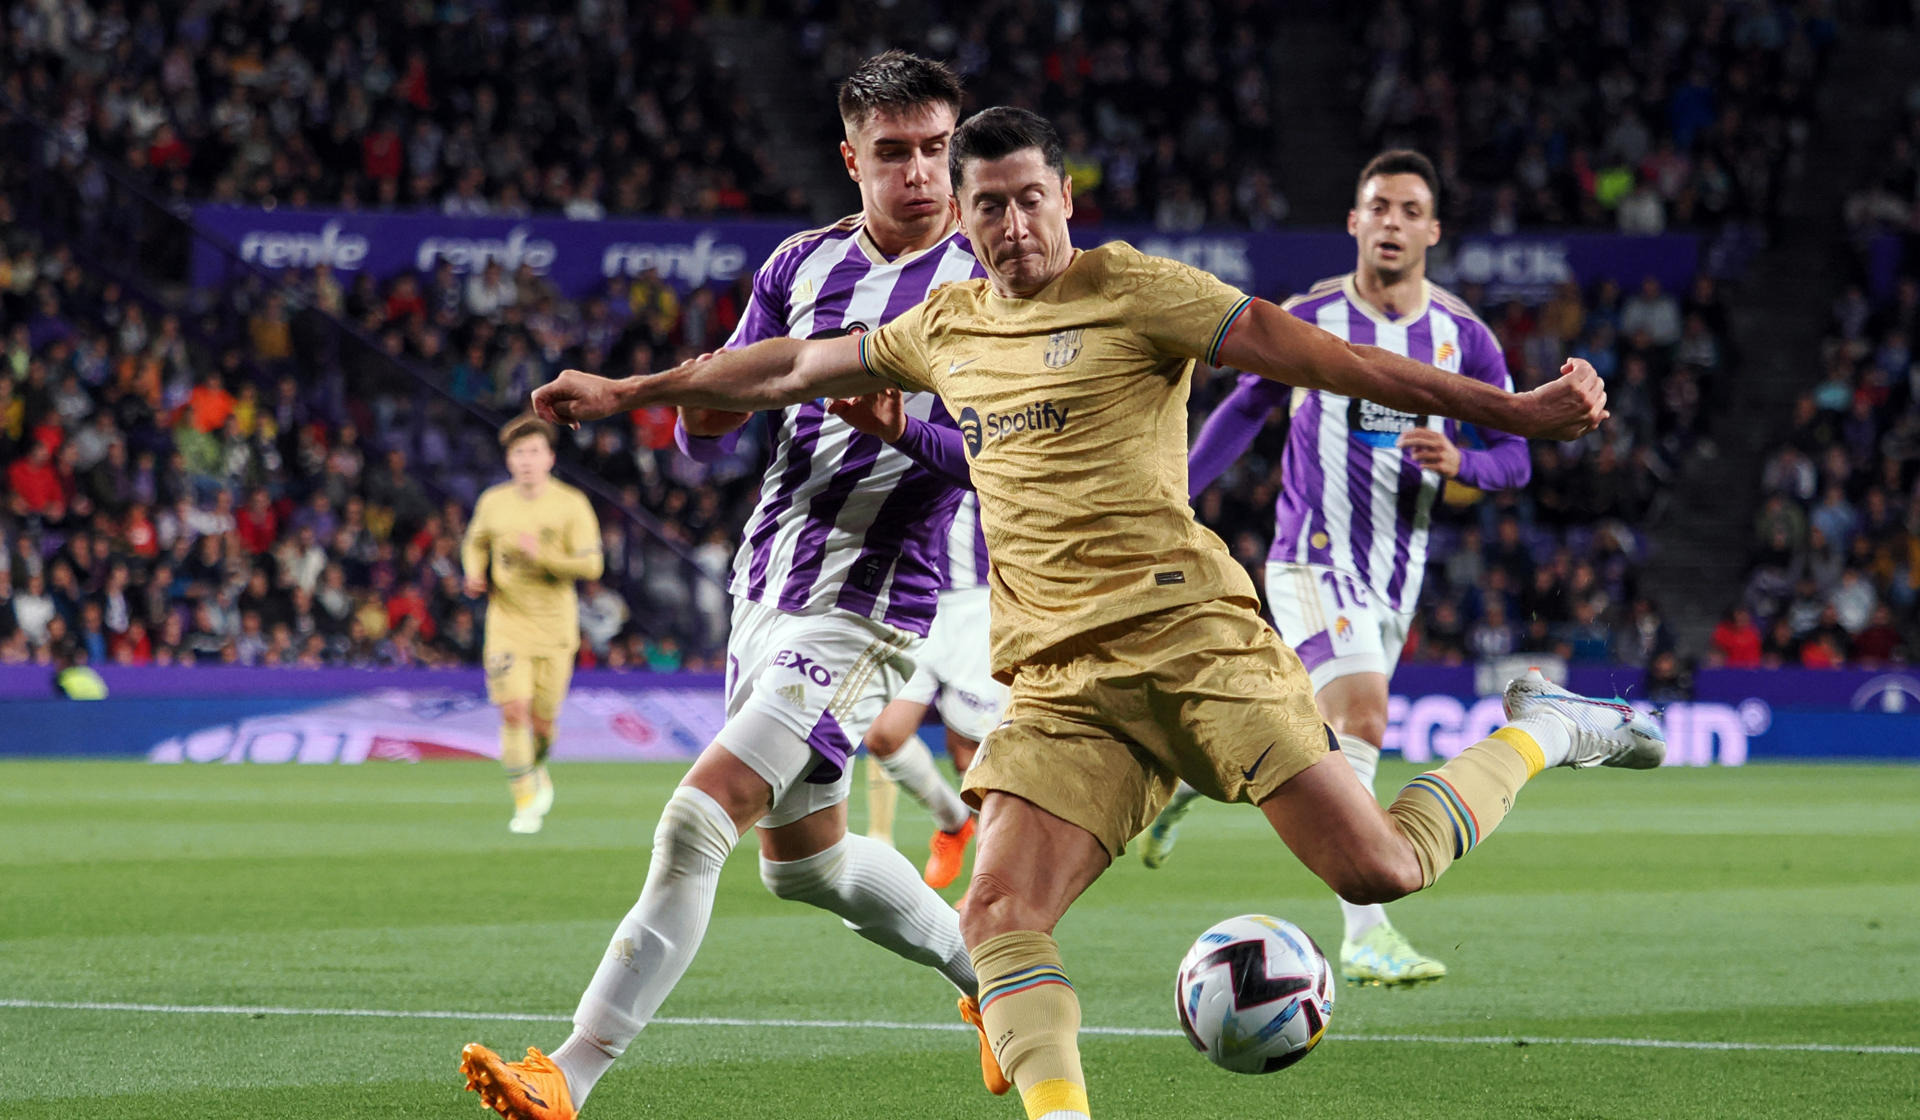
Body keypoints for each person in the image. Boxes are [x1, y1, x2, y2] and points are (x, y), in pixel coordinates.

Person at [526, 107, 1663, 1120]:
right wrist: (629, 391)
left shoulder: (1142, 289)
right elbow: (780, 369)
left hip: (1198, 643)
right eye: (990, 207)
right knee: (1000, 911)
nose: (1014, 222)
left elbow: (1337, 361)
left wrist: (1513, 411)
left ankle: (1548, 726)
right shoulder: (946, 324)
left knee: (1377, 872)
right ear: (964, 224)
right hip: (1063, 683)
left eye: (1030, 198)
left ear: (1065, 198)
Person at [461, 52, 991, 1120]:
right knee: (809, 865)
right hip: (770, 589)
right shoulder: (798, 266)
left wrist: (908, 431)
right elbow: (725, 408)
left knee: (696, 821)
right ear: (852, 159)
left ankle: (568, 1072)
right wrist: (688, 413)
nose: (924, 174)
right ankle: (998, 980)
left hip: (870, 605)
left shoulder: (991, 283)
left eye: (938, 148)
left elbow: (1010, 459)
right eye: (896, 153)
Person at [1140, 149, 1531, 987]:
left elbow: (1517, 460)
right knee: (1361, 719)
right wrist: (1174, 497)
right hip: (1312, 558)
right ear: (1354, 222)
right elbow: (1243, 409)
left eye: (1408, 210)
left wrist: (1463, 465)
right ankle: (1364, 931)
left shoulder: (1463, 337)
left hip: (1398, 574)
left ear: (1432, 229)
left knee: (1315, 730)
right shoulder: (1311, 316)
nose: (1391, 222)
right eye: (1377, 207)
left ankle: (1196, 774)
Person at [461, 415, 603, 834]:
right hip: (506, 621)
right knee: (513, 711)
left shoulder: (571, 504)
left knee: (542, 723)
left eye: (534, 452)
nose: (526, 460)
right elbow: (475, 540)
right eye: (519, 453)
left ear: (550, 458)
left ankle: (537, 764)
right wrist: (474, 571)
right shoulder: (493, 502)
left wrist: (540, 557)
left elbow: (592, 565)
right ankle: (524, 799)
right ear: (509, 460)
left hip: (556, 627)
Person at [860, 491, 1003, 890]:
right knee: (884, 737)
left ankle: (989, 888)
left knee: (970, 760)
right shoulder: (904, 432)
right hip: (913, 599)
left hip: (976, 606)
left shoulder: (988, 432)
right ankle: (953, 823)